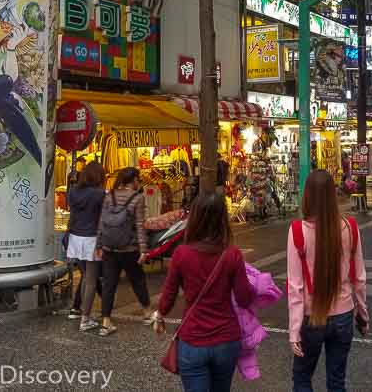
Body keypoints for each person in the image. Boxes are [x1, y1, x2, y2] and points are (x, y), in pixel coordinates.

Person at [155, 193, 254, 392]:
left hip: (193, 340)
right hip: (226, 339)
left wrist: (160, 315)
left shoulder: (181, 254)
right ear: (222, 219)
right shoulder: (232, 254)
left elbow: (167, 299)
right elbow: (244, 299)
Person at [288, 170, 369, 392]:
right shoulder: (349, 227)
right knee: (336, 380)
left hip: (311, 316)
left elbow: (295, 287)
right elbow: (359, 278)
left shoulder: (297, 231)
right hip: (343, 315)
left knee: (302, 377)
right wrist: (363, 315)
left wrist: (294, 330)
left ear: (307, 196)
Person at [96, 167, 150, 336]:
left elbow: (101, 223)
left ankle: (105, 322)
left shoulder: (108, 196)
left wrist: (99, 245)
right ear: (133, 180)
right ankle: (147, 312)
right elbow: (140, 226)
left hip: (109, 247)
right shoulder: (138, 198)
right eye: (138, 179)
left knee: (109, 285)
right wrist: (143, 250)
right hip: (129, 248)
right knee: (138, 280)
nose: (139, 182)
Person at [67, 161, 105, 332]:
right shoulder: (99, 194)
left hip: (75, 237)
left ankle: (83, 313)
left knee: (84, 277)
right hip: (91, 238)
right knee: (90, 280)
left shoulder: (72, 192)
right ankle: (85, 318)